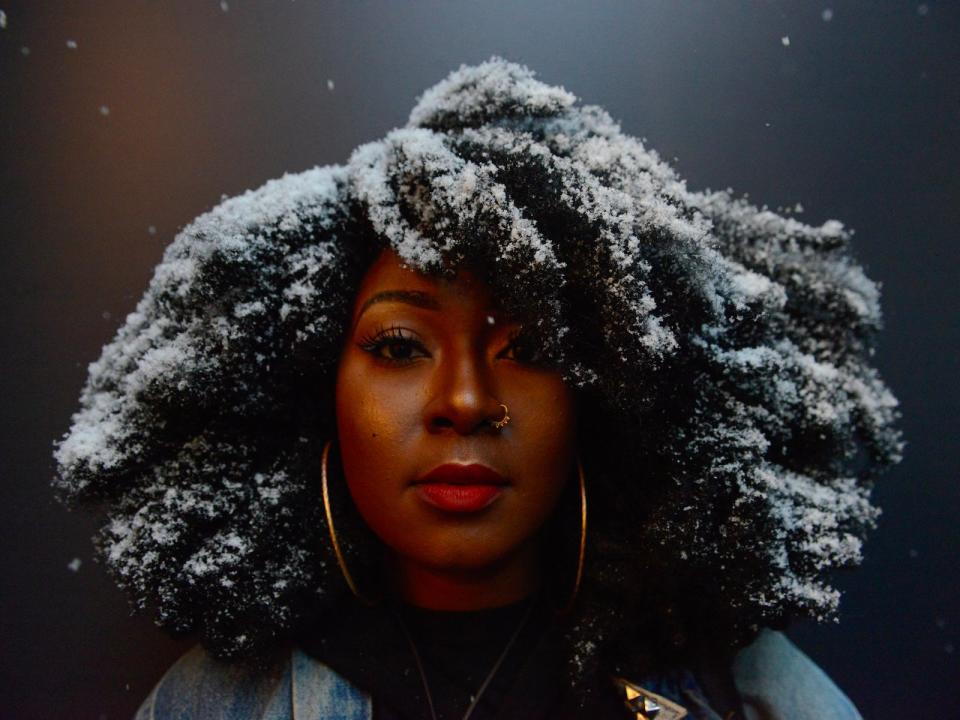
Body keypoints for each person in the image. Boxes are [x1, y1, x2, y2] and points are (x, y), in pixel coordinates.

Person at [53, 57, 902, 720]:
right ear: (313, 390)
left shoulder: (743, 695)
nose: (464, 398)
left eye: (527, 347)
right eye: (397, 345)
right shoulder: (214, 706)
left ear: (606, 391)